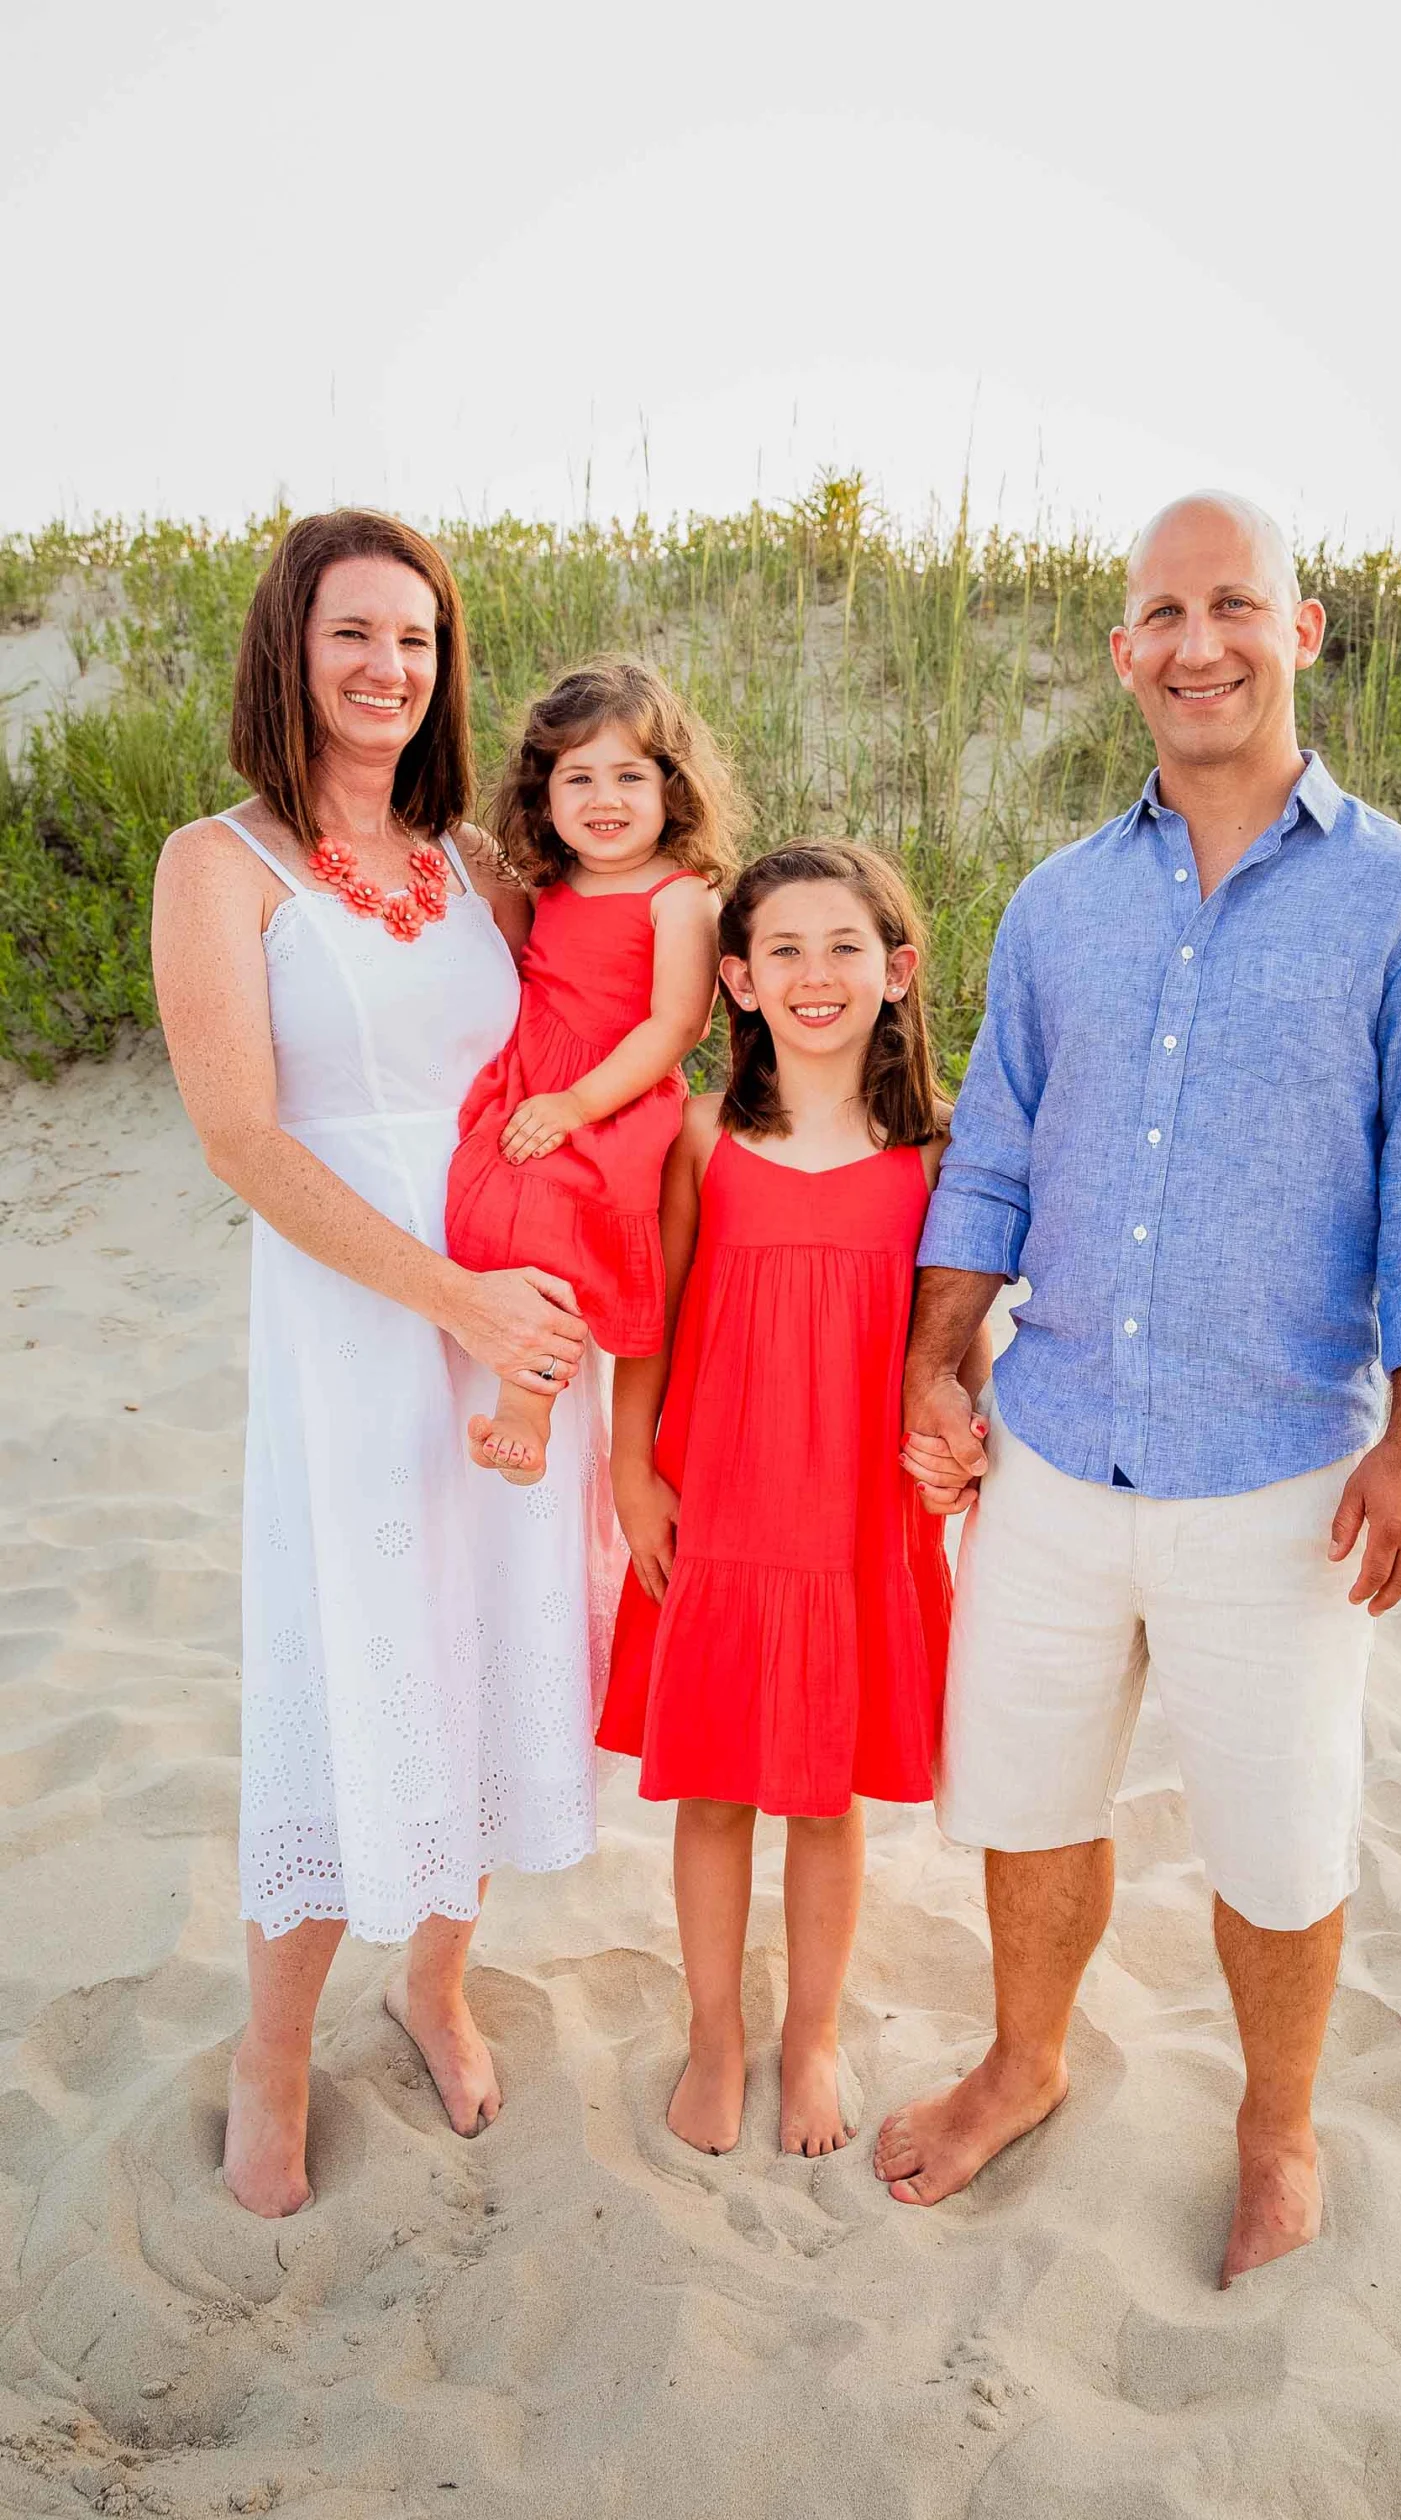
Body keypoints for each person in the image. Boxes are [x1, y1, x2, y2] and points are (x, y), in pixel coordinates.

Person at [880, 492, 1401, 2282]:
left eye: (1236, 605)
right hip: (1059, 1448)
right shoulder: (1064, 904)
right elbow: (990, 1155)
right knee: (1028, 1792)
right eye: (1164, 611)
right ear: (1122, 652)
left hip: (1279, 1473)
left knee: (1279, 1833)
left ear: (1302, 634)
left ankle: (1277, 2124)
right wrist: (940, 1349)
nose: (1198, 642)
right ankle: (1025, 2060)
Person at [151, 510, 613, 2220]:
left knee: (490, 1638)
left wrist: (545, 1324)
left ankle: (435, 1975)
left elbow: (601, 1060)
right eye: (355, 634)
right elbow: (241, 1141)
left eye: (416, 640)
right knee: (350, 1663)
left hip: (522, 1335)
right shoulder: (222, 867)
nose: (388, 670)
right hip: (363, 1330)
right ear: (291, 647)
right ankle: (274, 2043)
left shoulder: (483, 870)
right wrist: (456, 1302)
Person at [597, 843, 985, 2158]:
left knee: (827, 1798)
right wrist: (631, 1466)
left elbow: (954, 1351)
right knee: (712, 1790)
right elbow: (647, 1317)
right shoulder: (704, 1136)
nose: (817, 974)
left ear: (898, 971)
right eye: (786, 951)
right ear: (740, 982)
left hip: (858, 1520)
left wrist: (960, 1442)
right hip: (723, 1507)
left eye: (845, 947)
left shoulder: (935, 1153)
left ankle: (810, 2037)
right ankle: (719, 2035)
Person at [445, 659, 745, 1483]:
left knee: (553, 1232)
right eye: (577, 778)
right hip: (533, 1077)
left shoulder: (681, 896)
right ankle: (488, 1363)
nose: (603, 799)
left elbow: (677, 1024)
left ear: (670, 789)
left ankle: (525, 1409)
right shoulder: (553, 882)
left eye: (627, 776)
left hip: (611, 1095)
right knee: (489, 1212)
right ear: (544, 797)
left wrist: (577, 1104)